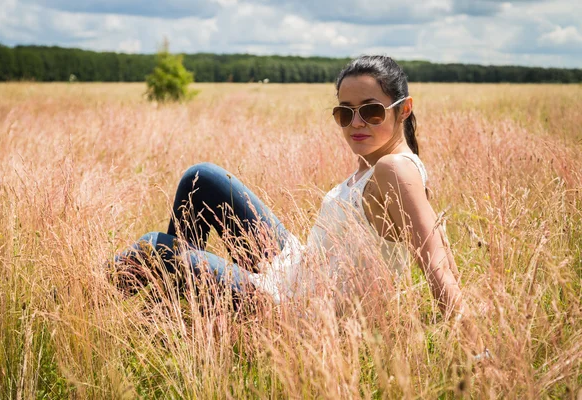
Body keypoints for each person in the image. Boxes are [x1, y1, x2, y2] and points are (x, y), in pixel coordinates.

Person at [108, 55, 488, 359]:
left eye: (371, 111)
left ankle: (91, 302)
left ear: (403, 110)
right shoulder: (374, 161)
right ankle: (169, 317)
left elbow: (437, 262)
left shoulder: (394, 168)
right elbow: (442, 247)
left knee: (157, 247)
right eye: (344, 112)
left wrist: (478, 352)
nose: (356, 123)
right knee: (202, 178)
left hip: (297, 314)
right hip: (296, 270)